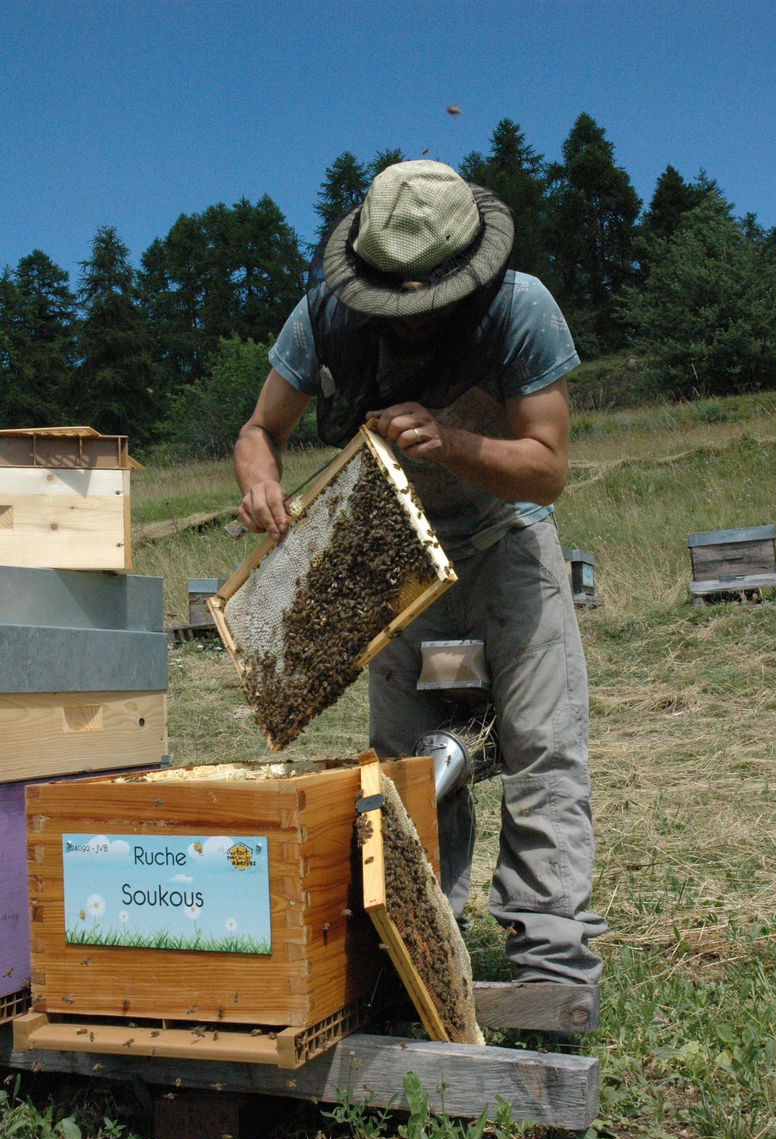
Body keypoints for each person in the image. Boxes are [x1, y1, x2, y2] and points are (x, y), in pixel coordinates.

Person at [234, 160, 605, 985]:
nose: (403, 321)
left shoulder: (521, 310)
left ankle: (549, 958)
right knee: (407, 761)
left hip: (507, 544)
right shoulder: (323, 318)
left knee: (543, 744)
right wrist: (259, 479)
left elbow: (547, 468)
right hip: (392, 553)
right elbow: (260, 428)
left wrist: (455, 441)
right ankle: (420, 945)